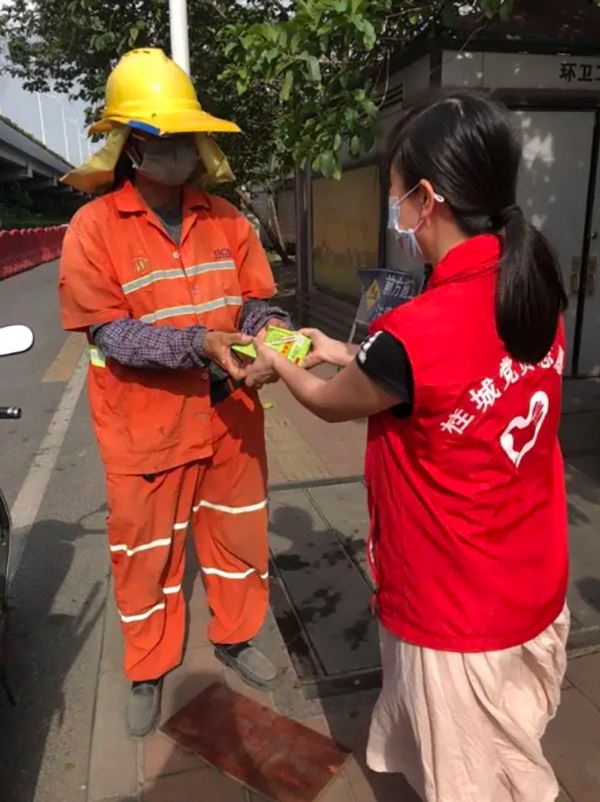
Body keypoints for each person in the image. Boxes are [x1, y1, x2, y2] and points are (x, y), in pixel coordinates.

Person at [245, 90, 569, 802]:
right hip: (531, 577)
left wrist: (282, 358)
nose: (398, 218)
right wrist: (343, 347)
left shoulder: (418, 333)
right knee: (511, 750)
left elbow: (332, 404)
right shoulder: (534, 286)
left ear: (427, 198)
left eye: (396, 197)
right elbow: (427, 375)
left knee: (474, 782)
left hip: (456, 607)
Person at [58, 48, 289, 737]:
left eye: (188, 137)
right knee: (145, 554)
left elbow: (258, 304)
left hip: (232, 414)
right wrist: (199, 343)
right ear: (132, 147)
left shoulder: (227, 220)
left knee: (239, 533)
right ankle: (148, 666)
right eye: (164, 137)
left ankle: (235, 636)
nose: (180, 149)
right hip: (146, 427)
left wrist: (272, 336)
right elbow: (109, 335)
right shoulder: (92, 230)